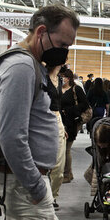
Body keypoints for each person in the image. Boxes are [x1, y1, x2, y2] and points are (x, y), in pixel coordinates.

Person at [0, 4, 79, 220]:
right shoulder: (21, 68)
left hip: (20, 181)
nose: (65, 52)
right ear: (41, 32)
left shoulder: (32, 65)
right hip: (24, 183)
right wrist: (37, 188)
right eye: (63, 44)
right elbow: (11, 136)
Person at [60, 68, 90, 183]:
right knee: (61, 149)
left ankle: (67, 174)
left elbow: (85, 104)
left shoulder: (76, 89)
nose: (61, 79)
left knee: (66, 149)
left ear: (68, 78)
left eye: (63, 77)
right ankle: (67, 173)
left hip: (71, 122)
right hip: (60, 122)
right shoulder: (58, 89)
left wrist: (69, 110)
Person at [47, 65, 66, 210]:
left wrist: (62, 125)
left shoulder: (59, 79)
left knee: (59, 168)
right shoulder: (42, 75)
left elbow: (58, 105)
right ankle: (45, 197)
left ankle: (53, 196)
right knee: (43, 165)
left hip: (57, 119)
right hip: (42, 120)